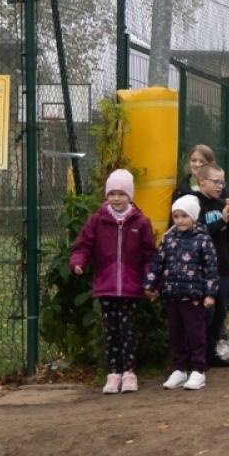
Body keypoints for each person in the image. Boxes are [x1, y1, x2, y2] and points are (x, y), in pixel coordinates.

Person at [70, 168, 156, 394]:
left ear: (130, 196)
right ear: (107, 196)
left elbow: (149, 254)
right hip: (106, 286)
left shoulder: (141, 222)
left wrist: (150, 279)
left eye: (121, 193)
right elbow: (83, 245)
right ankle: (113, 373)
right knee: (110, 331)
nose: (116, 198)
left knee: (127, 329)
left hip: (130, 287)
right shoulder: (97, 221)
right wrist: (79, 261)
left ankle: (129, 373)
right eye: (112, 193)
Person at [144, 195, 219, 391]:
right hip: (172, 295)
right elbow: (157, 263)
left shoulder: (203, 239)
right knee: (176, 333)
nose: (180, 220)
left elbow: (211, 267)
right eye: (176, 216)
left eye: (184, 216)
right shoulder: (168, 239)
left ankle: (198, 370)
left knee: (195, 333)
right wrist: (150, 285)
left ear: (193, 217)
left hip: (194, 296)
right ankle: (179, 368)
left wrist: (210, 293)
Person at [194, 163, 229, 368]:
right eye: (216, 181)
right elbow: (199, 232)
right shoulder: (195, 204)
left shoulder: (221, 203)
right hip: (202, 270)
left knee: (221, 310)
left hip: (222, 266)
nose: (220, 186)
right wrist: (221, 221)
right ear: (202, 181)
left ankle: (212, 353)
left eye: (222, 182)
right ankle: (199, 354)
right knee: (206, 312)